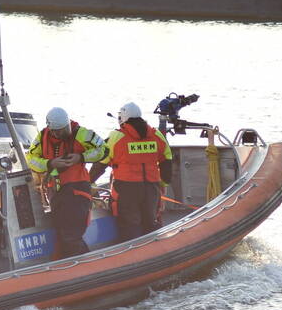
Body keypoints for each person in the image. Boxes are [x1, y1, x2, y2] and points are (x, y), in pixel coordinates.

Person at [26, 107, 107, 259]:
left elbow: (103, 149)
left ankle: (84, 265)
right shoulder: (42, 137)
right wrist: (50, 163)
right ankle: (78, 264)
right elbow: (31, 159)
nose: (64, 133)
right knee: (63, 234)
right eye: (59, 131)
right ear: (51, 129)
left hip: (77, 191)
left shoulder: (81, 134)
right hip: (56, 193)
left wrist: (81, 157)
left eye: (66, 129)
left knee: (71, 235)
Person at [89, 102, 173, 242]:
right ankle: (154, 249)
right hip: (151, 188)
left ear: (123, 118)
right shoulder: (156, 134)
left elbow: (101, 162)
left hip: (126, 189)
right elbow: (167, 159)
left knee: (129, 225)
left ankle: (132, 251)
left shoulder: (117, 136)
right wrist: (163, 184)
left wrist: (88, 181)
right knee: (150, 221)